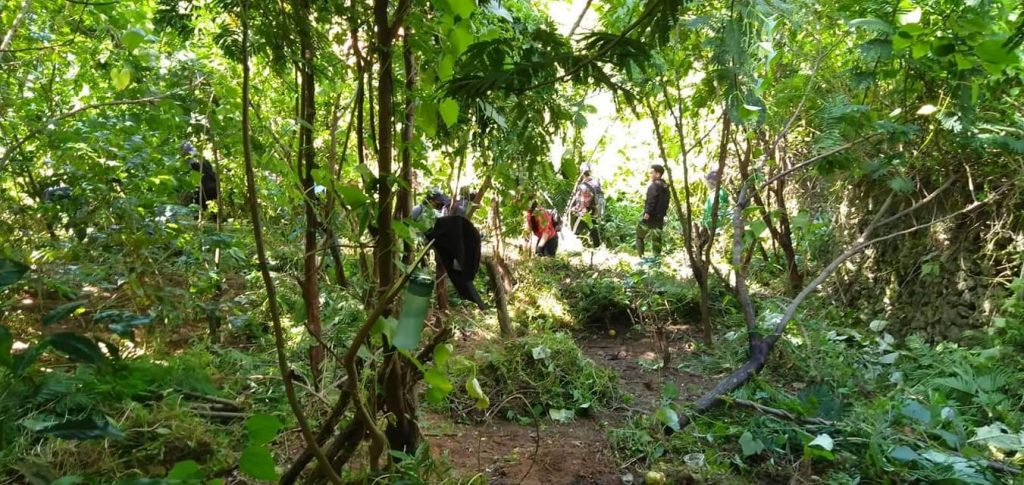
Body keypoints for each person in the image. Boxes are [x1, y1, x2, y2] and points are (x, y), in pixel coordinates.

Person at [637, 164, 670, 261]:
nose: (650, 175)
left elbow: (651, 200)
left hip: (650, 216)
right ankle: (657, 259)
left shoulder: (654, 185)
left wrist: (647, 213)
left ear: (658, 174)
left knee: (639, 236)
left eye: (652, 173)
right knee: (657, 239)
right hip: (659, 217)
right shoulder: (665, 186)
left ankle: (641, 257)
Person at [182, 142, 219, 212]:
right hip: (213, 186)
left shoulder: (191, 162)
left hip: (205, 189)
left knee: (201, 210)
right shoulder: (203, 159)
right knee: (212, 211)